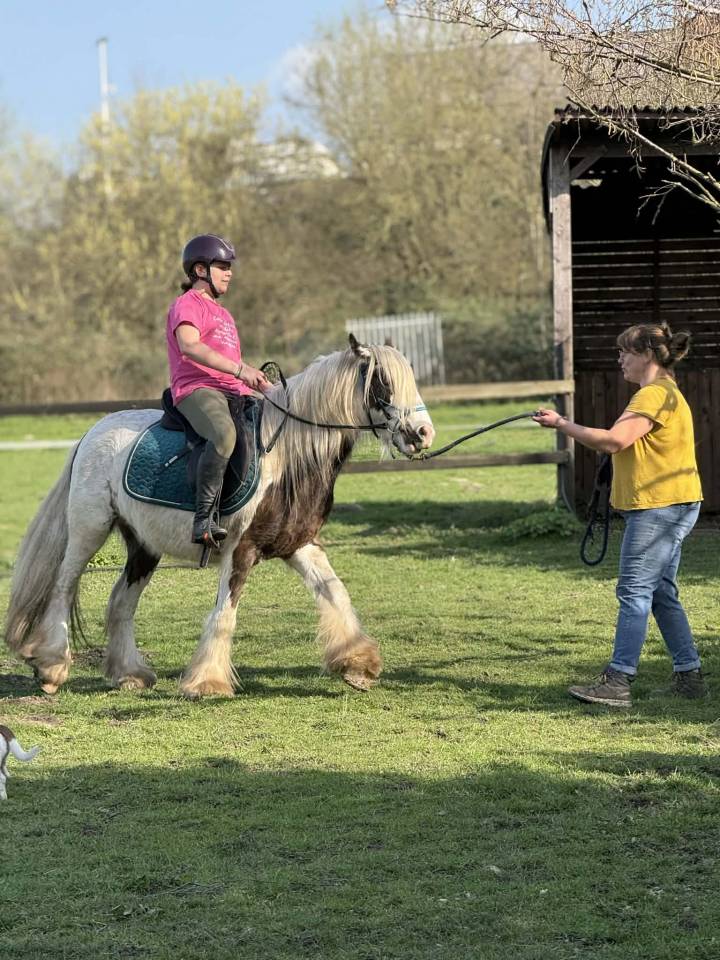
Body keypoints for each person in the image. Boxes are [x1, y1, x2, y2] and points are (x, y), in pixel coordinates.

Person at [533, 322, 704, 708]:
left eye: (624, 352)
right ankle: (689, 676)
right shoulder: (665, 392)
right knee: (660, 593)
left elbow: (614, 440)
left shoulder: (653, 395)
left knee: (634, 592)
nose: (619, 360)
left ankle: (618, 682)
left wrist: (561, 424)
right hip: (673, 504)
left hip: (658, 508)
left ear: (646, 354)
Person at [167, 234, 271, 546]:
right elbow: (189, 345)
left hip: (232, 390)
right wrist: (240, 370)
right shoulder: (187, 304)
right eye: (222, 266)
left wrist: (264, 386)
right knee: (224, 434)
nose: (229, 272)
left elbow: (232, 361)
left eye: (230, 267)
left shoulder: (225, 315)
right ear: (200, 270)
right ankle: (203, 519)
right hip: (198, 389)